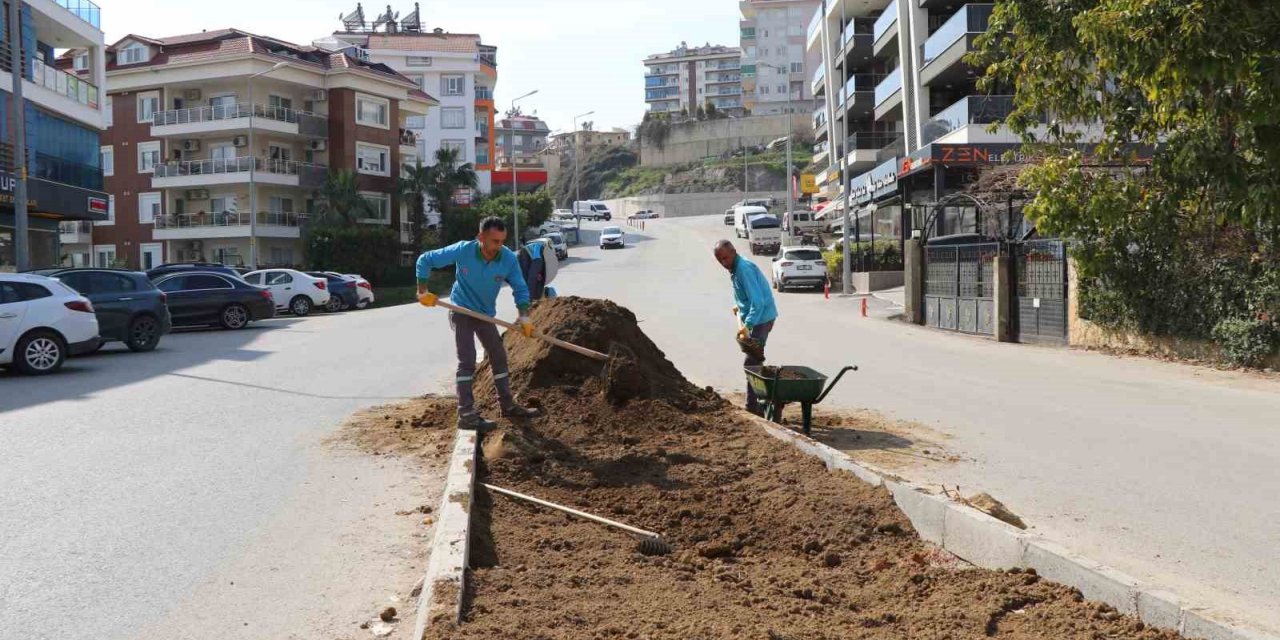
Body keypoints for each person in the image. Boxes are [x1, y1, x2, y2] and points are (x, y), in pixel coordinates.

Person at [417, 216, 543, 430]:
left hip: (485, 314)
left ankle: (507, 405)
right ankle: (466, 415)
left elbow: (520, 288)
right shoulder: (464, 250)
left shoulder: (507, 259)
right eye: (494, 241)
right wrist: (422, 291)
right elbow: (425, 259)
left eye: (502, 241)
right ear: (480, 237)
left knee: (499, 356)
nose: (499, 246)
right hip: (461, 309)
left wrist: (524, 316)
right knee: (466, 361)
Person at [713, 239, 778, 415]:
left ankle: (753, 406)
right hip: (755, 317)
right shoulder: (735, 269)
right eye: (720, 260)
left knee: (751, 363)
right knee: (753, 362)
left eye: (725, 258)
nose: (724, 263)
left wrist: (748, 325)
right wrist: (739, 306)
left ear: (733, 252)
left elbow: (758, 302)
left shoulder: (743, 269)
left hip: (761, 319)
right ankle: (757, 400)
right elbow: (746, 297)